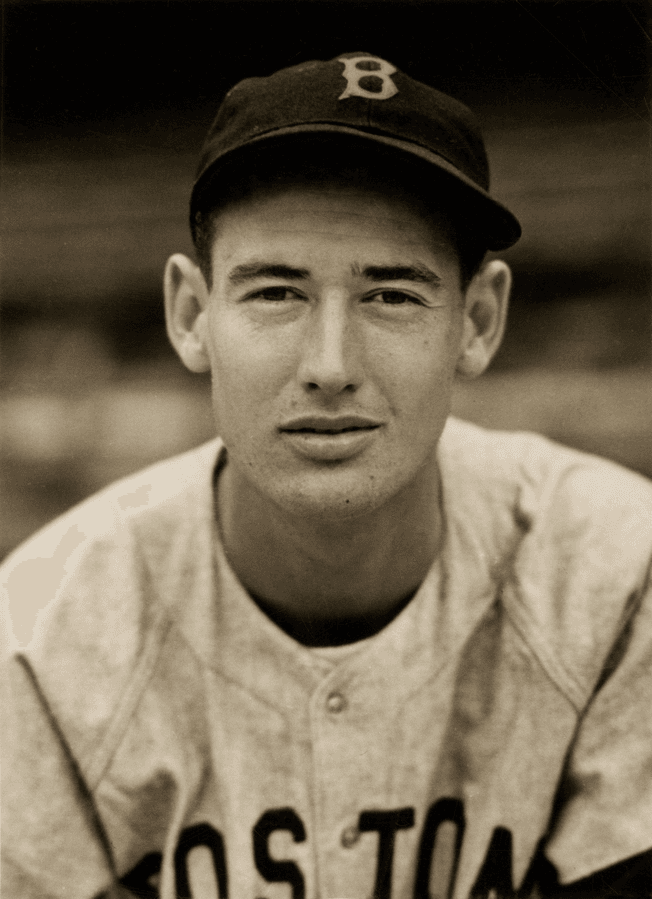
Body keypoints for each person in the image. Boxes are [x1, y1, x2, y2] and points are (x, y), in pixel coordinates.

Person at [2, 52, 652, 899]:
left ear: (479, 320)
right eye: (276, 292)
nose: (331, 364)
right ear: (192, 316)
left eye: (392, 295)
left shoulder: (620, 577)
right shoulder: (39, 643)